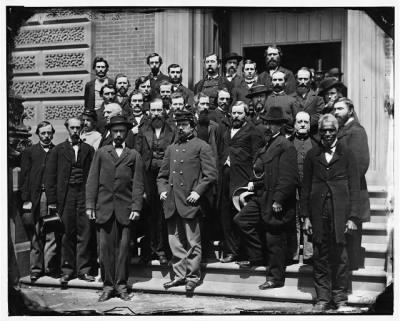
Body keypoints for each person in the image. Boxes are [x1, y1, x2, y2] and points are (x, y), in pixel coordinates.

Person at [301, 114, 360, 312]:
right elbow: (305, 187)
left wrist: (352, 217)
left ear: (337, 131)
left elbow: (354, 186)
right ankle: (323, 298)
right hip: (318, 213)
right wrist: (306, 217)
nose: (327, 134)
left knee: (341, 257)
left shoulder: (347, 154)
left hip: (340, 212)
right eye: (324, 130)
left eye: (331, 130)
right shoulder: (312, 155)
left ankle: (340, 297)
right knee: (320, 256)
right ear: (320, 132)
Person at [234, 106, 298, 290]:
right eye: (266, 123)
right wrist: (254, 183)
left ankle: (275, 278)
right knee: (242, 220)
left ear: (280, 126)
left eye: (272, 124)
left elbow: (288, 178)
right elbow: (264, 171)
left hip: (275, 200)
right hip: (262, 196)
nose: (268, 127)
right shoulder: (268, 144)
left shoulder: (285, 146)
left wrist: (279, 200)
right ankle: (257, 257)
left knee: (274, 239)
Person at [157, 111, 218, 291]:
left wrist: (198, 192)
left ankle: (192, 276)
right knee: (174, 242)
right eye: (179, 124)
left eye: (184, 124)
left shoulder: (202, 146)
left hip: (191, 202)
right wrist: (162, 191)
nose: (181, 127)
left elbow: (210, 175)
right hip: (172, 202)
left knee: (193, 242)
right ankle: (179, 275)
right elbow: (162, 176)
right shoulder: (171, 148)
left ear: (192, 126)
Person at [86, 115, 145, 302]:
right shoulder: (102, 153)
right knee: (104, 250)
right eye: (115, 131)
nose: (118, 134)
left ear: (126, 133)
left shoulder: (133, 155)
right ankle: (107, 286)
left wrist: (136, 206)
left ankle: (121, 286)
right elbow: (92, 180)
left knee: (123, 250)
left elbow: (138, 184)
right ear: (110, 133)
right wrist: (90, 205)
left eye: (121, 131)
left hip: (126, 209)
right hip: (104, 208)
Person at [45, 118, 95, 286]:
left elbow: (93, 175)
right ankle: (67, 270)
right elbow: (50, 177)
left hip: (83, 194)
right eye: (72, 127)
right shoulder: (58, 150)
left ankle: (84, 270)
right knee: (66, 233)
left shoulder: (89, 150)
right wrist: (52, 201)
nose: (75, 131)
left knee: (85, 232)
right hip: (65, 196)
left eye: (78, 128)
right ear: (67, 128)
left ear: (82, 129)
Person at [219, 101, 264, 263]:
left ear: (246, 114)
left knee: (240, 216)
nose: (236, 116)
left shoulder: (253, 132)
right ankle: (231, 251)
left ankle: (245, 254)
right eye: (234, 113)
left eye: (239, 113)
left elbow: (257, 159)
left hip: (242, 181)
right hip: (225, 180)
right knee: (226, 217)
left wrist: (253, 180)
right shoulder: (226, 131)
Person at [135, 99, 176, 265]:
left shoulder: (172, 131)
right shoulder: (142, 131)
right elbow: (138, 156)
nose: (157, 113)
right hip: (147, 176)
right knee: (148, 214)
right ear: (149, 112)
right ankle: (148, 250)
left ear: (164, 111)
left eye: (159, 110)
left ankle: (162, 250)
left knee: (162, 214)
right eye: (153, 110)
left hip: (165, 176)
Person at [20, 121, 60, 281]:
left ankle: (50, 267)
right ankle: (36, 268)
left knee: (51, 232)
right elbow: (25, 177)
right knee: (36, 233)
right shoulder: (30, 152)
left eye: (49, 133)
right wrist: (26, 199)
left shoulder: (57, 151)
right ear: (38, 134)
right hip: (35, 197)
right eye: (43, 133)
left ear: (52, 134)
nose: (46, 136)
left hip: (51, 197)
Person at [334, 97, 370, 270]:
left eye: (340, 109)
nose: (336, 112)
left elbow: (360, 164)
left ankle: (352, 270)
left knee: (353, 232)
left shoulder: (356, 131)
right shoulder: (342, 130)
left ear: (350, 110)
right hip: (342, 190)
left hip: (352, 190)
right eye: (334, 109)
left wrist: (346, 187)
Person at [287, 111, 318, 263]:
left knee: (308, 218)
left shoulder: (316, 143)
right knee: (294, 219)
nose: (303, 125)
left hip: (310, 188)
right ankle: (293, 253)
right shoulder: (288, 143)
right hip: (293, 188)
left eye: (306, 122)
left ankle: (308, 254)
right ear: (295, 124)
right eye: (299, 122)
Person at [293, 67, 325, 136]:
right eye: (300, 79)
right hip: (294, 136)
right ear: (296, 80)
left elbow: (320, 116)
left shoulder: (318, 98)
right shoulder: (290, 98)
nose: (303, 82)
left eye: (305, 79)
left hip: (312, 136)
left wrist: (304, 120)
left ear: (310, 80)